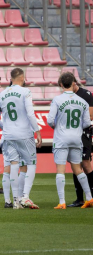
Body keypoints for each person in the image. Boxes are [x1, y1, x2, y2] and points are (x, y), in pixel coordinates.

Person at [0, 68, 42, 209]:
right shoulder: (25, 92)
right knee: (31, 163)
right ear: (22, 78)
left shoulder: (1, 95)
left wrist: (6, 127)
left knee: (14, 165)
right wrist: (37, 131)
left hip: (8, 135)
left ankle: (15, 201)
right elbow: (30, 114)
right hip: (24, 134)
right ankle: (25, 197)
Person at [47, 72, 93, 209]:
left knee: (60, 170)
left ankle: (62, 202)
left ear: (61, 84)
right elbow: (86, 123)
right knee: (78, 169)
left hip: (61, 138)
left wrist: (57, 125)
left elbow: (50, 120)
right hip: (76, 138)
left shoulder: (57, 100)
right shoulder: (82, 101)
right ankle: (90, 198)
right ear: (73, 83)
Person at [67, 80, 93, 207]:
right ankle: (80, 199)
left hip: (84, 133)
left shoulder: (86, 94)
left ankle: (91, 197)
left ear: (73, 83)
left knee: (86, 163)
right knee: (75, 164)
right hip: (73, 134)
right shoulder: (68, 96)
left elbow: (91, 116)